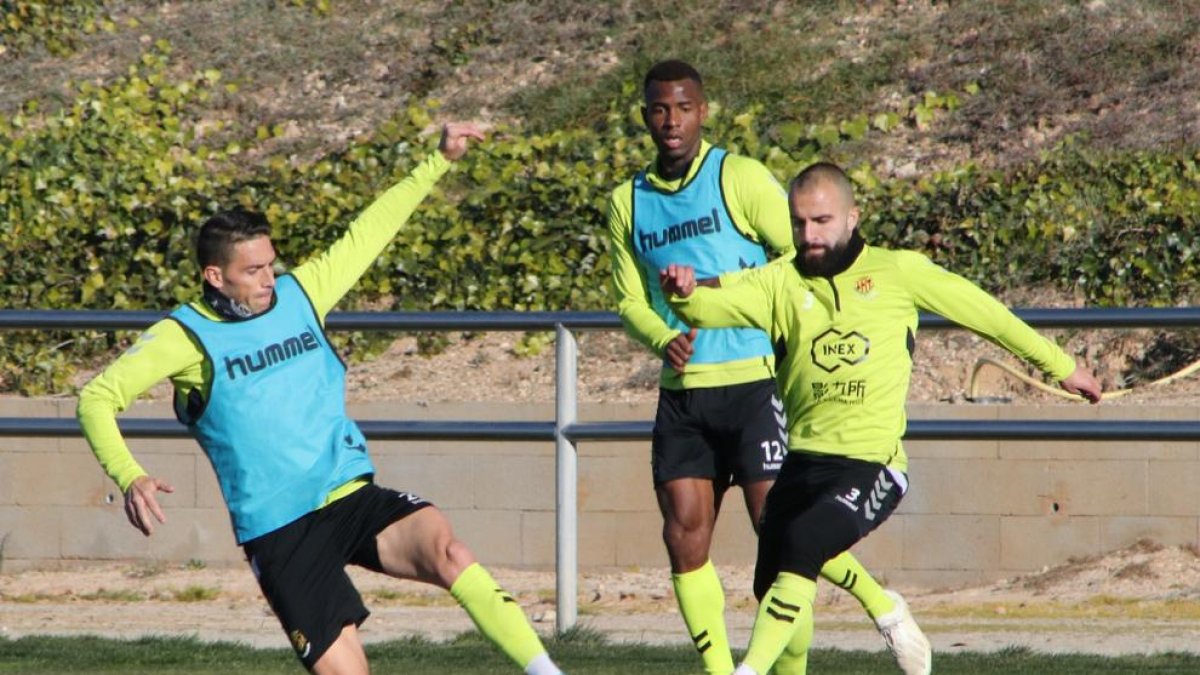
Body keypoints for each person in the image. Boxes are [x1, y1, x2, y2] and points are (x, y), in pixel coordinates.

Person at [76, 122, 565, 675]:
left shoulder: (301, 294)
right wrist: (129, 474)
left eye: (271, 264)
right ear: (215, 276)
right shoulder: (182, 336)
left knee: (451, 551)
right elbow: (95, 399)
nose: (269, 279)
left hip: (349, 495)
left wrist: (439, 161)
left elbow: (370, 231)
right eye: (253, 270)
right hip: (281, 531)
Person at [660, 161, 1104, 674]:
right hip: (802, 463)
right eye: (799, 223)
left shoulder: (899, 272)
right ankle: (885, 610)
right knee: (777, 592)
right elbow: (706, 309)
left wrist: (1062, 366)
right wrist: (683, 293)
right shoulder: (778, 281)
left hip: (872, 464)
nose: (810, 235)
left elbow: (986, 313)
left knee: (804, 544)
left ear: (853, 217)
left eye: (822, 221)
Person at [607, 60, 929, 674]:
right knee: (683, 536)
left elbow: (797, 258)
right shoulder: (627, 202)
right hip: (685, 396)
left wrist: (766, 312)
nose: (670, 122)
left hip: (754, 385)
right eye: (658, 109)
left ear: (703, 112)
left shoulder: (740, 177)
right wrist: (660, 336)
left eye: (683, 108)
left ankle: (877, 604)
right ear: (644, 114)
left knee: (783, 539)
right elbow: (627, 297)